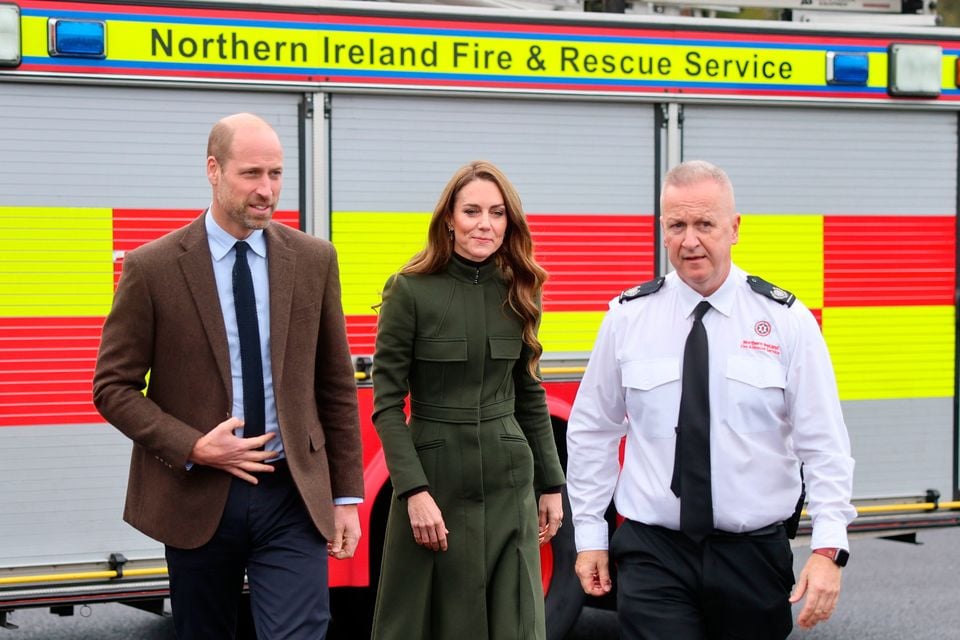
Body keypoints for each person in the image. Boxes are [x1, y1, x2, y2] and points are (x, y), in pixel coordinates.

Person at [93, 113, 364, 639]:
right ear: (213, 170)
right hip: (197, 496)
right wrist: (194, 446)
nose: (267, 191)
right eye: (251, 174)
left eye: (276, 175)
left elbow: (334, 384)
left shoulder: (313, 259)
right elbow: (112, 387)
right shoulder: (153, 268)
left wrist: (346, 497)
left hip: (292, 494)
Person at [565, 160, 856, 639]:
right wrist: (591, 537)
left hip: (752, 555)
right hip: (653, 551)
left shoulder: (786, 321)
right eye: (677, 225)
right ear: (663, 230)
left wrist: (828, 550)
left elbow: (822, 443)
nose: (690, 240)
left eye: (705, 224)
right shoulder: (627, 317)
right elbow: (593, 430)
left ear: (735, 228)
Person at [369, 160, 565, 639]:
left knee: (513, 626)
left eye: (497, 213)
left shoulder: (519, 289)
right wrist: (413, 493)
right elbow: (387, 406)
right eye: (472, 211)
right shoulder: (408, 291)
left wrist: (552, 484)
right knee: (426, 625)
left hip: (507, 485)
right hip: (436, 488)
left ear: (509, 222)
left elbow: (528, 391)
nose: (485, 223)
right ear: (449, 220)